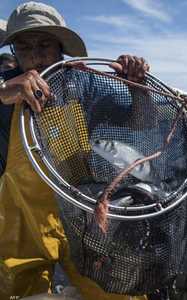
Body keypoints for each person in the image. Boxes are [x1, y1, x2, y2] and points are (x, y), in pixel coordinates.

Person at [0, 2, 149, 300]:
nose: (36, 55)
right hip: (19, 216)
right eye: (25, 46)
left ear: (61, 48)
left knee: (116, 291)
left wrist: (137, 88)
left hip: (81, 208)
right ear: (14, 52)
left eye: (45, 44)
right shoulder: (7, 83)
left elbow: (142, 121)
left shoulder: (86, 83)